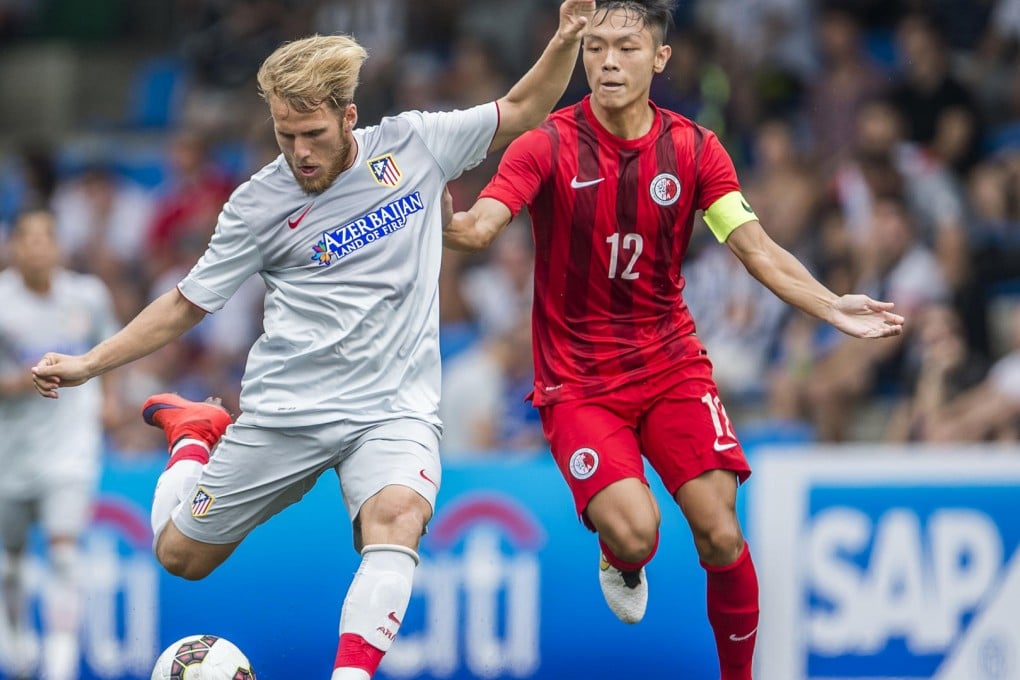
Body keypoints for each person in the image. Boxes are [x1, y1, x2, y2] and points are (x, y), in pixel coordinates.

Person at [30, 4, 595, 679]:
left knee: (398, 518)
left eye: (313, 133)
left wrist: (566, 38)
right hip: (288, 412)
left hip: (392, 406)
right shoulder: (258, 204)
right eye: (284, 134)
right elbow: (186, 304)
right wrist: (92, 363)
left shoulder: (416, 145)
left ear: (350, 116)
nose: (299, 151)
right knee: (179, 558)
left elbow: (525, 105)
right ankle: (192, 435)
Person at [441, 2, 905, 678]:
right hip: (579, 382)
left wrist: (832, 306)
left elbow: (756, 249)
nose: (607, 62)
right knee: (638, 531)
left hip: (670, 365)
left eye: (626, 48)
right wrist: (438, 221)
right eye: (595, 47)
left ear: (659, 58)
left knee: (720, 533)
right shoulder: (545, 144)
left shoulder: (693, 150)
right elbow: (482, 226)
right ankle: (619, 555)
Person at [0, 210, 119, 680]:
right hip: (10, 450)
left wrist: (108, 401)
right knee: (10, 563)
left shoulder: (87, 296)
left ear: (58, 245)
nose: (37, 247)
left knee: (65, 551)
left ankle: (60, 666)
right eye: (27, 238)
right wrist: (20, 383)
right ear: (13, 247)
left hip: (71, 446)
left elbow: (110, 350)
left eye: (46, 237)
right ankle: (21, 650)